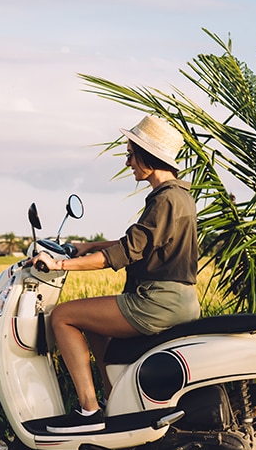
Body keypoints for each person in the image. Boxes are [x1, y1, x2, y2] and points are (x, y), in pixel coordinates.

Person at [34, 114, 200, 433]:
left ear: (148, 158)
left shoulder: (166, 199)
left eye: (130, 154)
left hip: (157, 302)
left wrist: (60, 264)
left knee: (63, 316)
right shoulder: (178, 196)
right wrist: (86, 246)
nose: (128, 163)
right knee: (95, 327)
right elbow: (142, 243)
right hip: (177, 299)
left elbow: (125, 253)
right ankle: (118, 406)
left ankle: (89, 410)